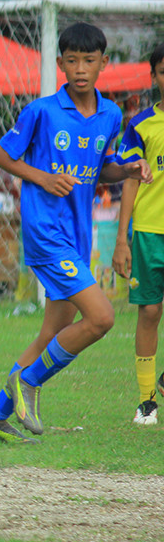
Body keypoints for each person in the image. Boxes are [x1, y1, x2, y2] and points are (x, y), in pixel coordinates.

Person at [0, 22, 152, 444]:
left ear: (103, 63)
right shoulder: (41, 111)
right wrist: (42, 178)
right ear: (60, 64)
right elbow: (0, 154)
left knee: (52, 333)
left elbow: (101, 168)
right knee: (103, 317)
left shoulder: (109, 114)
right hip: (45, 232)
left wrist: (126, 169)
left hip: (77, 234)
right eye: (71, 60)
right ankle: (29, 383)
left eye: (88, 60)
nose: (80, 68)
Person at [112, 42, 164, 425]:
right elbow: (129, 182)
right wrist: (121, 239)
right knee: (150, 310)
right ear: (154, 77)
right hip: (148, 231)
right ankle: (147, 400)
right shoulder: (141, 124)